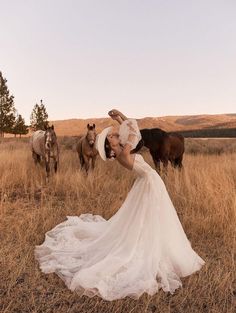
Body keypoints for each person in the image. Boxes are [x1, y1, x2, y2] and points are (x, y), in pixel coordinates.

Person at [35, 109, 205, 301]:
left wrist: (119, 119)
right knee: (152, 216)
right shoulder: (124, 152)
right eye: (114, 136)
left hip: (149, 183)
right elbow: (135, 131)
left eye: (116, 134)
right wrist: (122, 117)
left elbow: (135, 132)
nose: (117, 135)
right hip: (150, 184)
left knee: (152, 218)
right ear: (111, 144)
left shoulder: (122, 150)